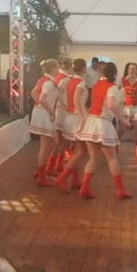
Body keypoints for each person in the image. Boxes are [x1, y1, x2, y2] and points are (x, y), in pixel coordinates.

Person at [76, 63, 132, 199]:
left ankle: (84, 188)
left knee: (93, 158)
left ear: (101, 73)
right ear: (114, 73)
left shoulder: (96, 85)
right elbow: (112, 105)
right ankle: (120, 190)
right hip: (103, 124)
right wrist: (123, 120)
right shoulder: (112, 87)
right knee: (112, 158)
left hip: (91, 121)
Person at [56, 59, 89, 192]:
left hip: (69, 115)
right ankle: (62, 178)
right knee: (81, 151)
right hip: (76, 117)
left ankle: (75, 179)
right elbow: (76, 100)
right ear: (83, 69)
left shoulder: (69, 80)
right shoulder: (80, 82)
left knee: (76, 150)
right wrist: (82, 117)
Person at [29, 59, 60, 186]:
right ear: (52, 68)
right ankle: (41, 175)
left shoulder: (43, 79)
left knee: (50, 143)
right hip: (45, 112)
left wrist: (39, 104)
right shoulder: (49, 82)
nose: (58, 69)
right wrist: (51, 111)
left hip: (41, 111)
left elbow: (33, 93)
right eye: (57, 67)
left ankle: (40, 171)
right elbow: (42, 98)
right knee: (46, 145)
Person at [49, 57, 73, 175]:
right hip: (61, 111)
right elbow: (58, 95)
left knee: (62, 140)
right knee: (60, 140)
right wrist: (66, 106)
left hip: (60, 110)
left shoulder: (59, 77)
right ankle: (51, 166)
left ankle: (58, 163)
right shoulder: (64, 79)